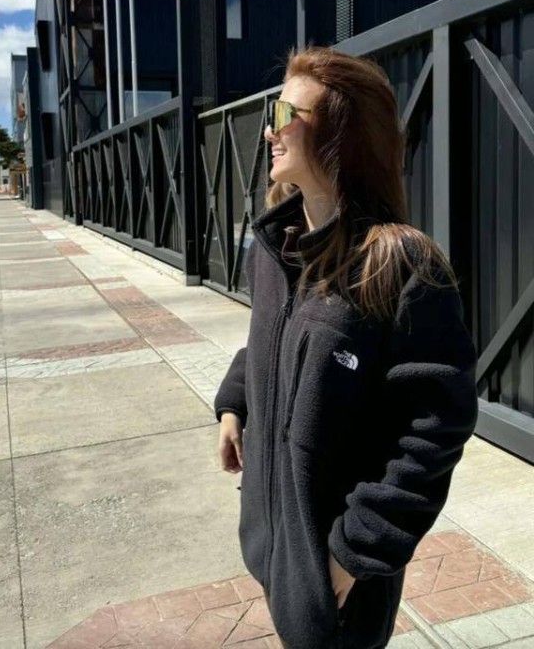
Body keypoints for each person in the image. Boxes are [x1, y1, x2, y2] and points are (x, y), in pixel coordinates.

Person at [215, 47, 478, 649]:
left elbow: (437, 426)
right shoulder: (277, 247)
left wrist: (354, 552)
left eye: (286, 114)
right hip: (273, 545)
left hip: (340, 577)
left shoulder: (399, 264)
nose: (270, 130)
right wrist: (235, 404)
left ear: (340, 133)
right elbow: (265, 336)